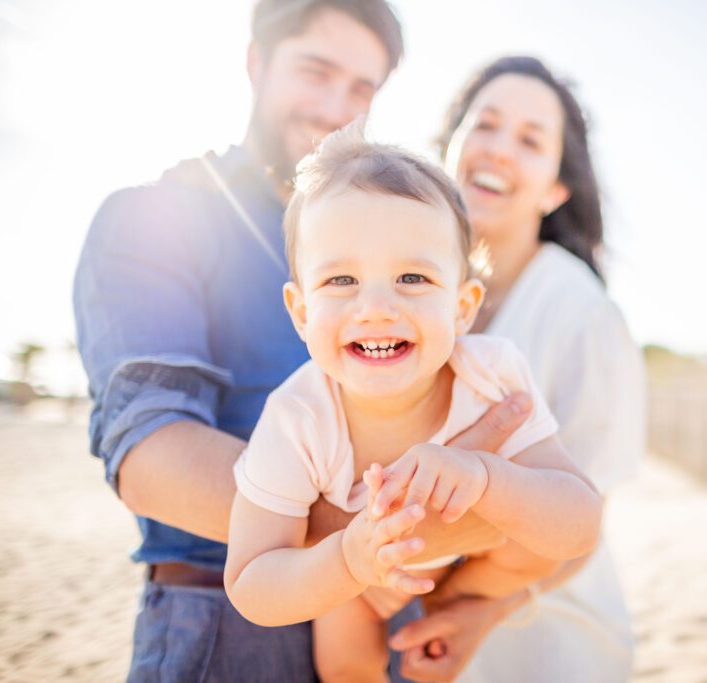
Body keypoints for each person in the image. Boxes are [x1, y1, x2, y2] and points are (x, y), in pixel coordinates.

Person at [73, 3, 527, 680]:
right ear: (256, 61)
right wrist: (344, 547)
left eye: (361, 90)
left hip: (393, 622)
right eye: (315, 72)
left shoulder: (398, 247)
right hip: (231, 625)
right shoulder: (152, 217)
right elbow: (147, 451)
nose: (334, 110)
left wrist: (486, 601)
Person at [223, 125, 602, 683]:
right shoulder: (299, 417)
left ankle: (446, 609)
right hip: (348, 572)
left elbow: (580, 523)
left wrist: (487, 478)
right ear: (301, 313)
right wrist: (349, 560)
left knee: (535, 546)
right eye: (342, 279)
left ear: (462, 307)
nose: (376, 307)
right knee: (346, 660)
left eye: (412, 277)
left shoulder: (490, 374)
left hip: (466, 566)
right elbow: (252, 580)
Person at [390, 56, 646, 682]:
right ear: (447, 147)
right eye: (485, 125)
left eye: (530, 140)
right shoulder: (402, 289)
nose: (499, 150)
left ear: (556, 187)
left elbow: (586, 512)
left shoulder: (582, 313)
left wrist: (484, 610)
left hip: (552, 645)